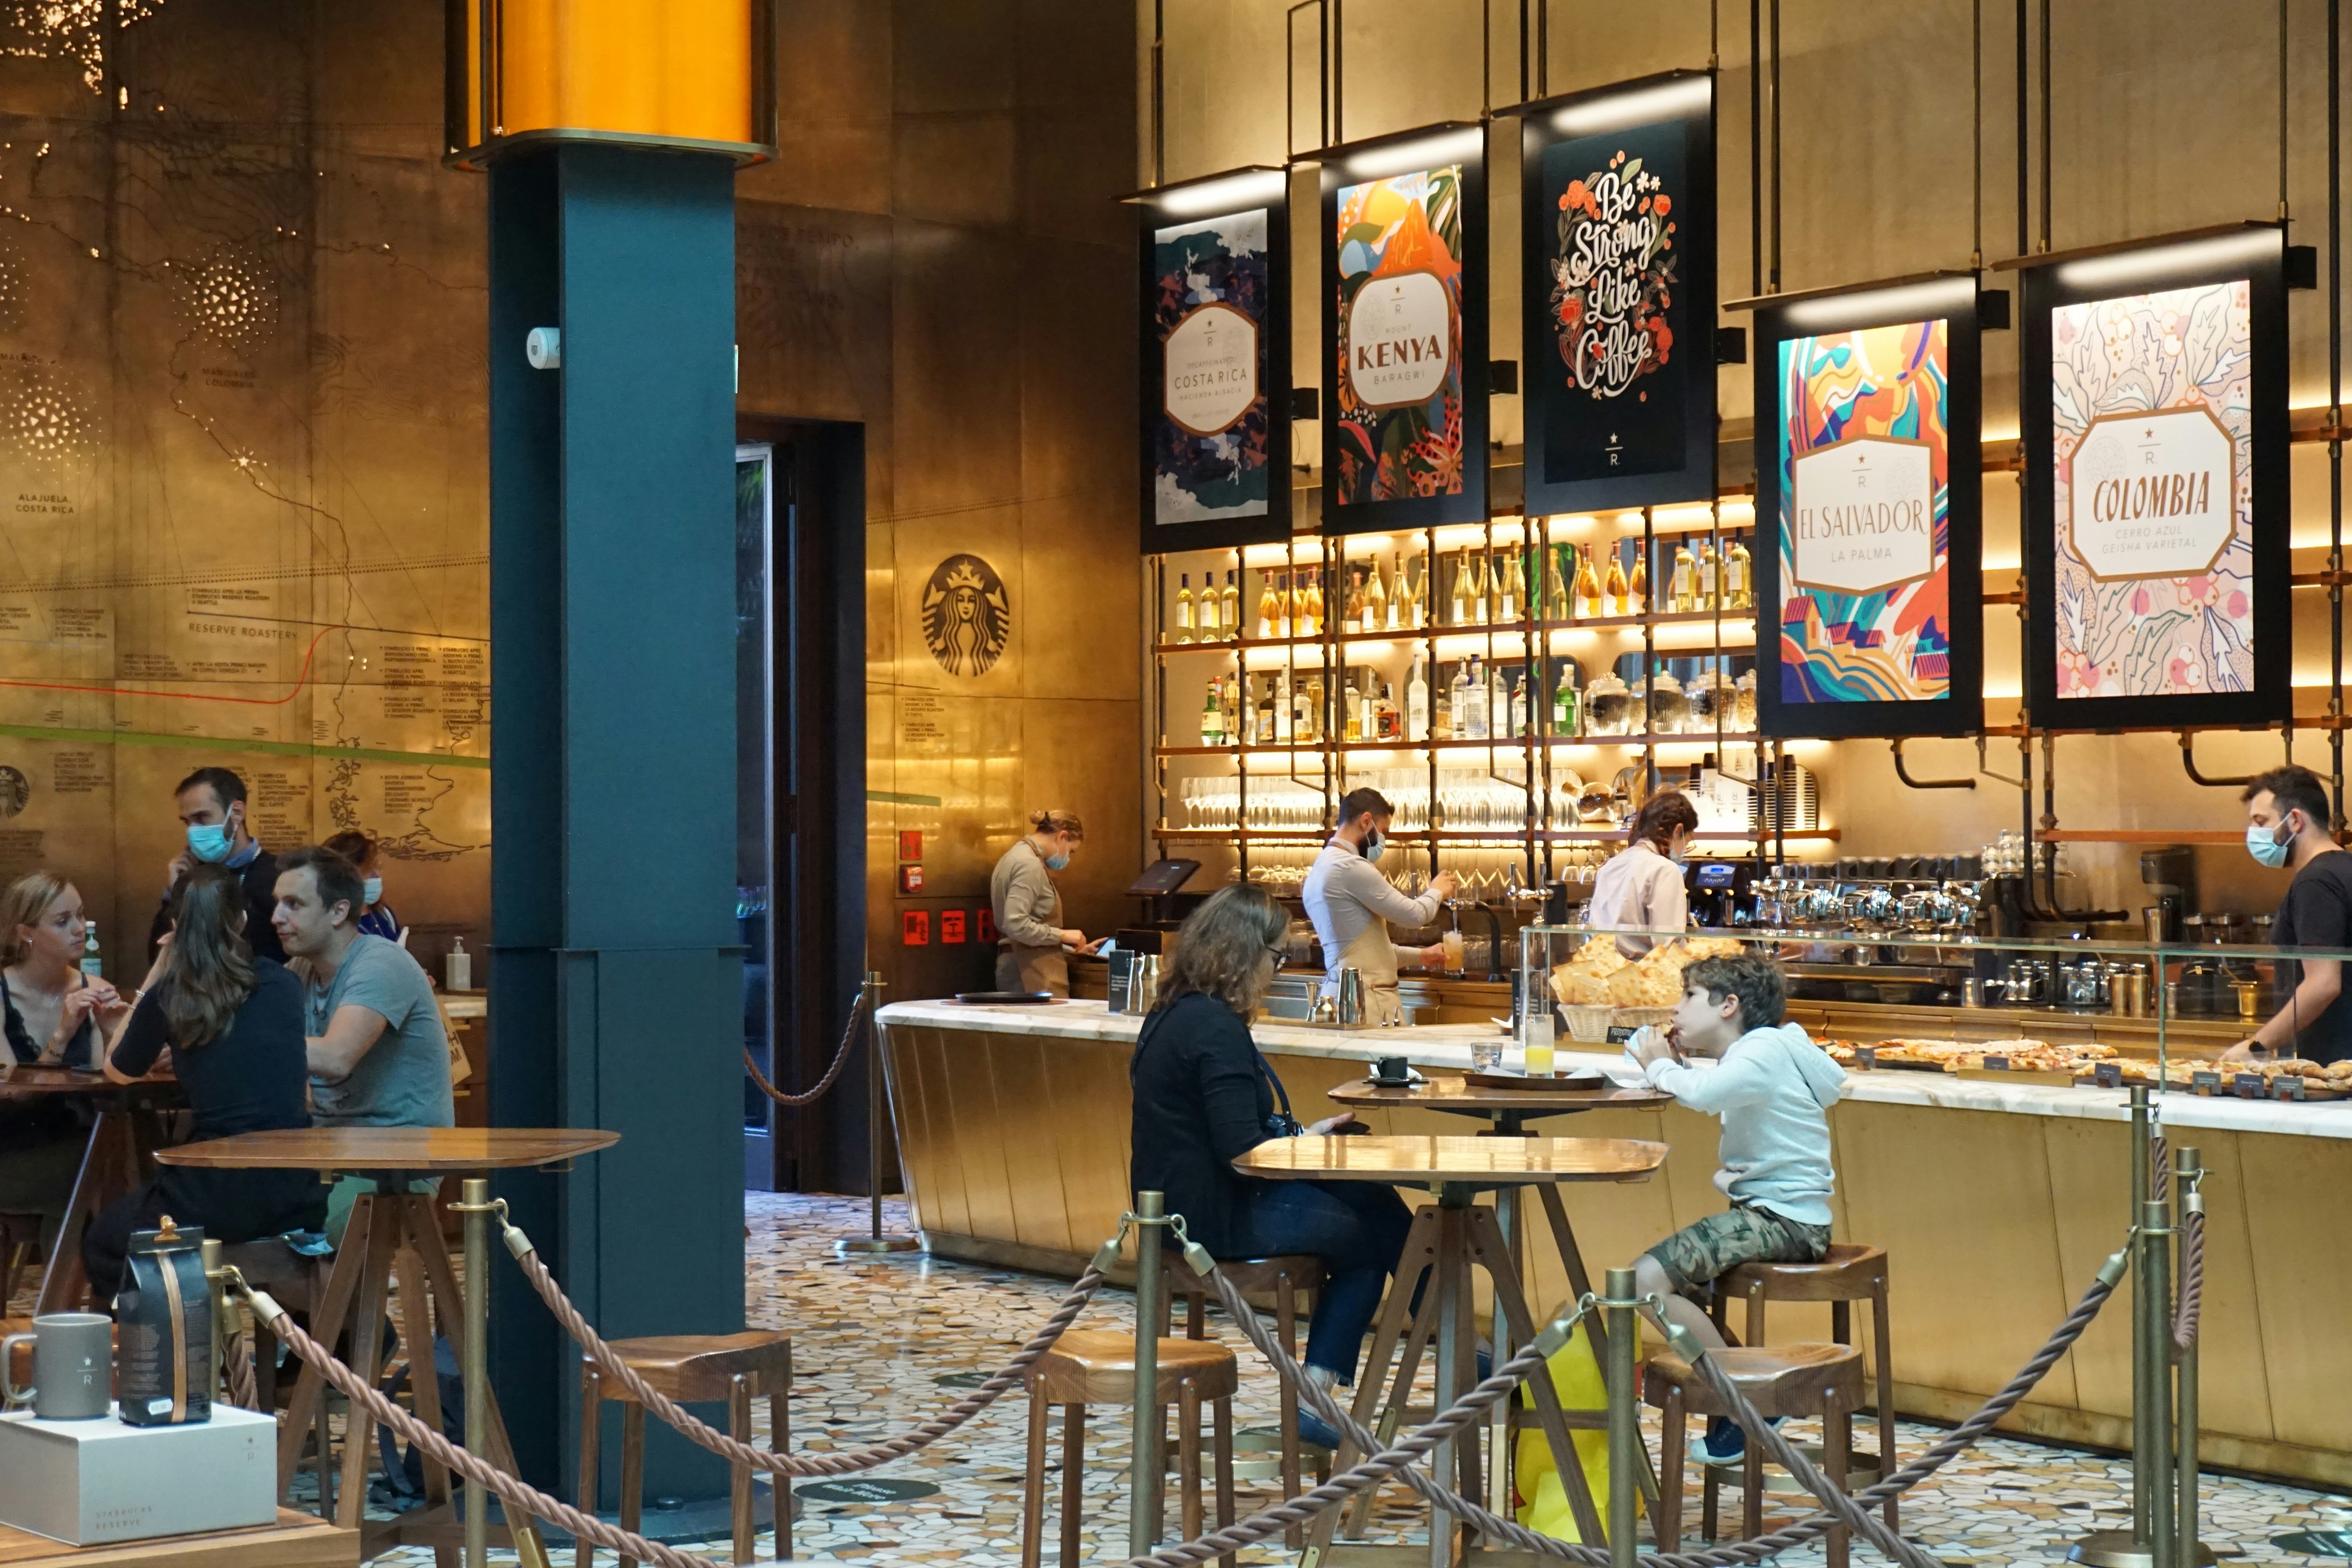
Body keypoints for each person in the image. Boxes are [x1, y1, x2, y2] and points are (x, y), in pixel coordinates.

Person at [1129, 882, 1417, 1448]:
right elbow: (1243, 1153)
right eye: (1277, 957)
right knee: (1364, 1236)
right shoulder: (1216, 1027)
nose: (1278, 970)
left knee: (1372, 1197)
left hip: (1177, 1207)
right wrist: (1305, 1148)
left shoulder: (1174, 1014)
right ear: (1245, 953)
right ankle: (1343, 1380)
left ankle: (1455, 1343)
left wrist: (1305, 1139)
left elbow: (1227, 1133)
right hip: (1212, 1219)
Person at [1626, 951, 1846, 1463]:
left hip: (1781, 1222)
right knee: (1664, 1281)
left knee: (1642, 1281)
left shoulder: (1762, 1050)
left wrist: (1659, 1064)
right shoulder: (1764, 1050)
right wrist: (1666, 1066)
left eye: (1689, 997)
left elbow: (1705, 1095)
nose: (1676, 1009)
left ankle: (1747, 1405)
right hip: (1784, 1217)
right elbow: (1708, 1086)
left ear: (1729, 1006)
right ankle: (1746, 1399)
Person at [84, 865, 327, 1303]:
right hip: (297, 1190)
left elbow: (118, 1069)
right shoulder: (285, 983)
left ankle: (171, 1356)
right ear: (242, 922)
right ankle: (319, 1348)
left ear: (176, 926)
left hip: (217, 1195)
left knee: (105, 1239)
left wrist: (163, 963)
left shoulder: (173, 991)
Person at [272, 845, 455, 1243]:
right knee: (231, 1224)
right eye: (277, 904)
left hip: (396, 1159)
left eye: (294, 904)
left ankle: (350, 1306)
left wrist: (243, 1049)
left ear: (338, 912)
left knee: (293, 1236)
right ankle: (348, 1307)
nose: (277, 917)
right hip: (330, 1152)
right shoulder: (300, 969)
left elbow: (337, 1058)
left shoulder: (380, 963)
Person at [0, 873, 128, 1251]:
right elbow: (11, 1093)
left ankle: (85, 1290)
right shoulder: (4, 993)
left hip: (78, 1141)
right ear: (26, 933)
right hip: (12, 1148)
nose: (79, 930)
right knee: (102, 1169)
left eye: (80, 916)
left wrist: (111, 1034)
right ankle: (75, 1291)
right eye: (62, 922)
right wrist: (62, 1035)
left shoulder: (95, 989)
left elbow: (105, 1090)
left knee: (112, 1157)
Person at [2226, 764, 2352, 1065]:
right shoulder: (2344, 868)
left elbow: (2323, 984)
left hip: (2337, 1067)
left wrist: (2256, 1046)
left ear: (2295, 820)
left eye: (2261, 821)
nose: (2254, 834)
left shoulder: (2316, 883)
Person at [1299, 788, 1456, 1025]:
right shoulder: (1351, 867)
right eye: (1383, 831)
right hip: (1366, 1000)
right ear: (1366, 822)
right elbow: (1415, 916)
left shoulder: (1322, 866)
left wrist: (1422, 956)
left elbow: (1365, 953)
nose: (1383, 840)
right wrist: (1437, 890)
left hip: (1342, 993)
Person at [149, 766, 285, 964]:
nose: (193, 831)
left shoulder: (277, 876)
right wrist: (176, 894)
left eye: (201, 818)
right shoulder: (192, 876)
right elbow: (159, 960)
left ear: (236, 813)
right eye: (187, 822)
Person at [990, 809, 1098, 996]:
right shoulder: (1029, 865)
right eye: (1071, 850)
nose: (1068, 858)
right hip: (1029, 972)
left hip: (1022, 963)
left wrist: (1070, 949)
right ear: (1062, 837)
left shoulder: (1016, 856)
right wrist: (1063, 935)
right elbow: (1016, 925)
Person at [1587, 789, 1698, 957]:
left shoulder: (1610, 866)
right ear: (1678, 831)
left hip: (1604, 972)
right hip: (1644, 976)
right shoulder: (1665, 870)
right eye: (1687, 841)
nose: (1684, 850)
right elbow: (1668, 948)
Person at [323, 829, 402, 943]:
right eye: (370, 869)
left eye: (377, 867)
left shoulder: (384, 913)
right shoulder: (327, 927)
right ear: (344, 876)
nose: (377, 875)